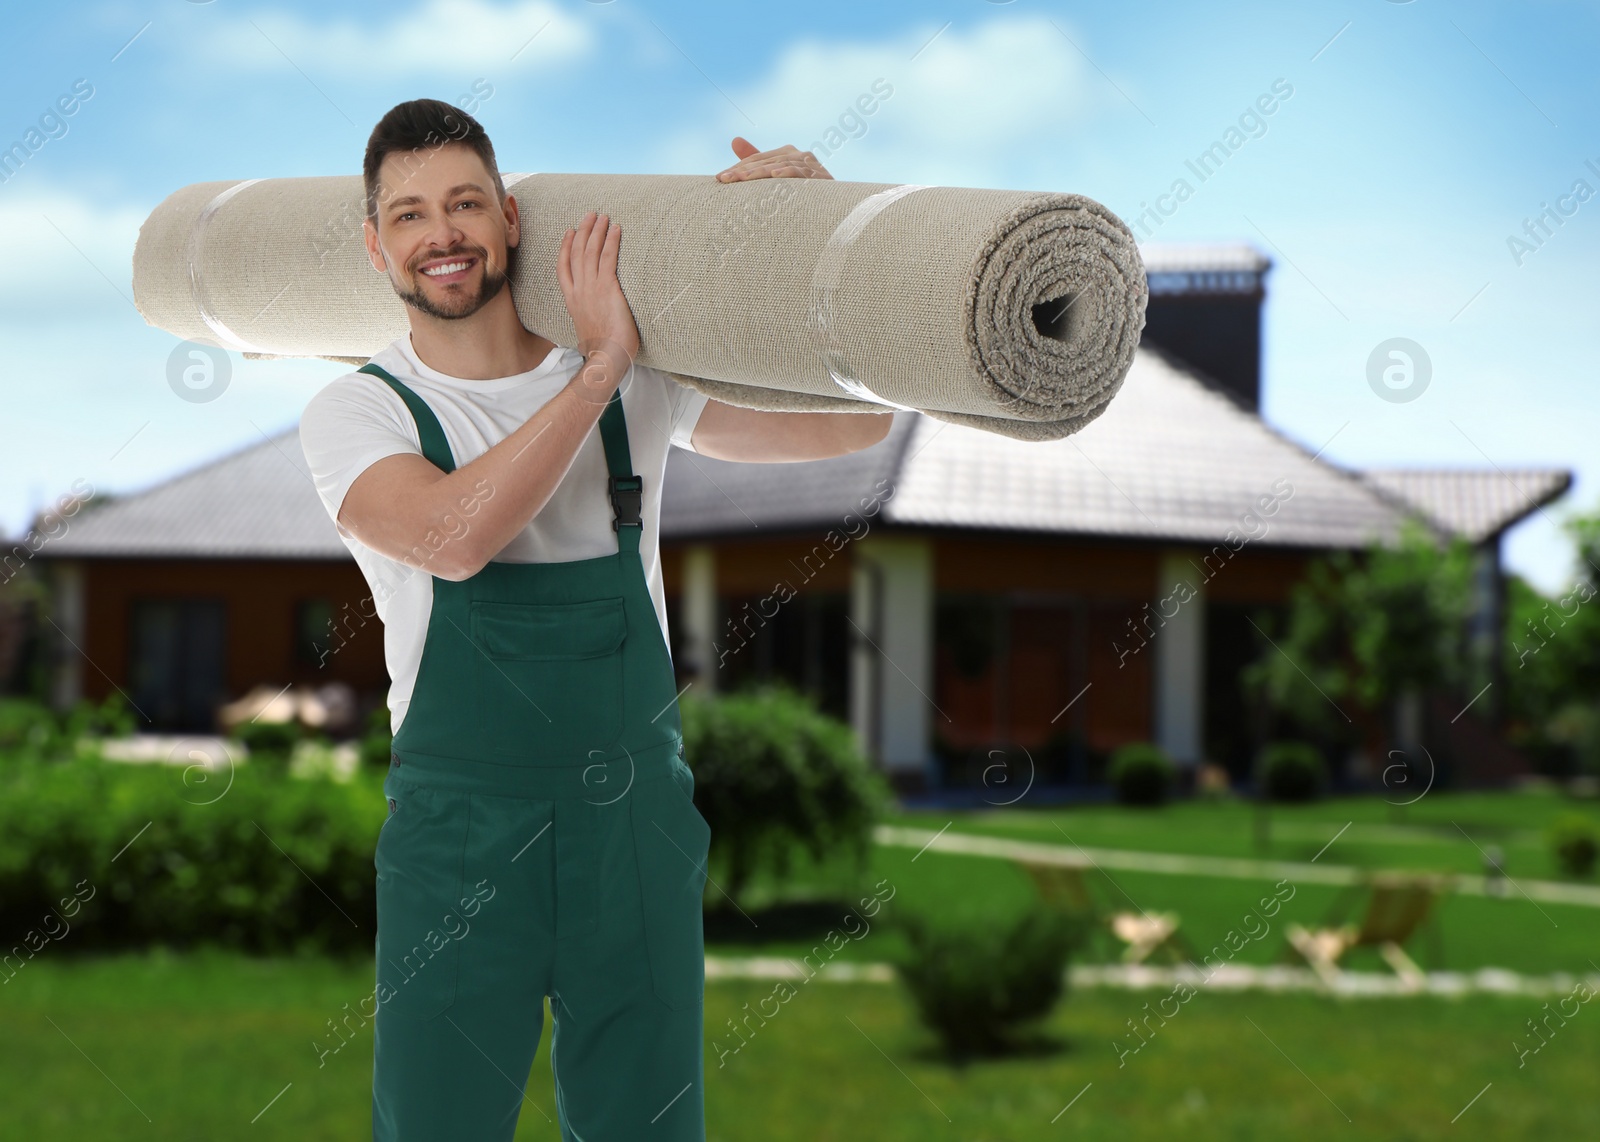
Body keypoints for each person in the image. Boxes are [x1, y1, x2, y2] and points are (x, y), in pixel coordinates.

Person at [298, 98, 891, 1142]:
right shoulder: (362, 411)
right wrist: (598, 371)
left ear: (510, 219)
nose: (443, 234)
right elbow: (454, 537)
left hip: (633, 828)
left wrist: (813, 232)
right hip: (460, 838)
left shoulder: (642, 381)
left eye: (466, 203)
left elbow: (858, 418)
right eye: (409, 214)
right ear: (374, 244)